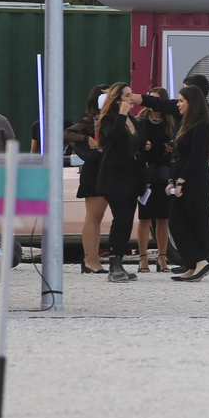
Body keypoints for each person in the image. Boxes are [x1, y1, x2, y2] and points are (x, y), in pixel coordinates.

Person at [168, 85, 209, 282]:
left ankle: (200, 262)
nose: (178, 104)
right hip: (183, 179)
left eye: (181, 101)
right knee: (178, 222)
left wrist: (181, 181)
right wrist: (172, 180)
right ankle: (193, 264)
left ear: (192, 103)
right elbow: (179, 156)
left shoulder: (202, 126)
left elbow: (196, 157)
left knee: (189, 222)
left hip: (196, 181)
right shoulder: (185, 125)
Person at [94, 83, 141, 282]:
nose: (131, 98)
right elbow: (113, 137)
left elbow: (135, 145)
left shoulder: (132, 119)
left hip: (131, 176)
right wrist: (121, 115)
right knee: (120, 218)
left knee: (127, 220)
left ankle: (119, 262)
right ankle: (114, 264)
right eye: (127, 95)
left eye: (131, 94)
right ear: (118, 99)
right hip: (114, 177)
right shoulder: (109, 119)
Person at [134, 86, 177, 274]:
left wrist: (171, 148)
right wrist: (142, 146)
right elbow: (133, 145)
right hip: (146, 172)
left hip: (164, 173)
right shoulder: (140, 121)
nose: (153, 103)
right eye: (151, 98)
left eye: (157, 99)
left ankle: (162, 257)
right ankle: (143, 258)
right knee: (144, 217)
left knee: (163, 217)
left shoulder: (171, 122)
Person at [69, 85, 108, 275]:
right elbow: (66, 133)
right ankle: (90, 259)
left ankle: (93, 258)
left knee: (99, 217)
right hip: (94, 171)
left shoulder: (112, 118)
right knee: (94, 216)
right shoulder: (90, 120)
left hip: (108, 170)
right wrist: (86, 139)